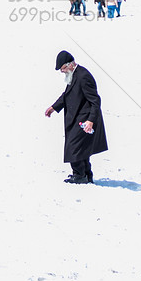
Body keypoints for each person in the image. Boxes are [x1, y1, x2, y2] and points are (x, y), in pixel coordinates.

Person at [45, 51, 108, 184]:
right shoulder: (73, 75)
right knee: (80, 148)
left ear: (70, 65)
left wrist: (91, 121)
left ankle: (79, 175)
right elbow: (67, 94)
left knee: (73, 147)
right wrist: (54, 107)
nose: (62, 72)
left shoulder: (83, 76)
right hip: (78, 117)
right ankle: (85, 175)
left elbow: (95, 101)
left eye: (63, 69)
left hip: (85, 119)